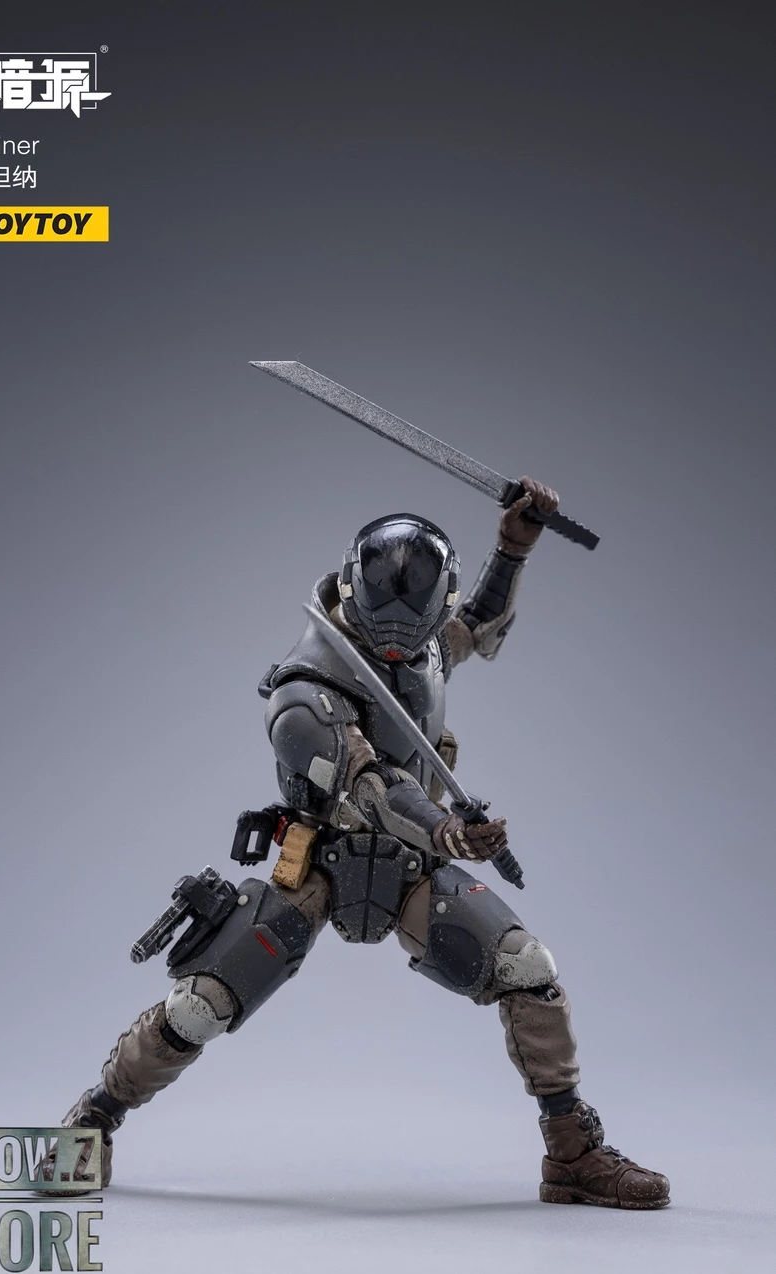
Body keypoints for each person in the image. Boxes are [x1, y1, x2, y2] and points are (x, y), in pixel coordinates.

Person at [61, 477, 669, 1209]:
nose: (394, 645)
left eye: (413, 632)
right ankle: (93, 1120)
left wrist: (512, 548)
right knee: (202, 1004)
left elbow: (478, 624)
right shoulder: (304, 689)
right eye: (382, 626)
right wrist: (449, 829)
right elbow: (371, 787)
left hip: (412, 868)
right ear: (351, 591)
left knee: (525, 968)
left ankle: (572, 1153)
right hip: (320, 862)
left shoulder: (423, 647)